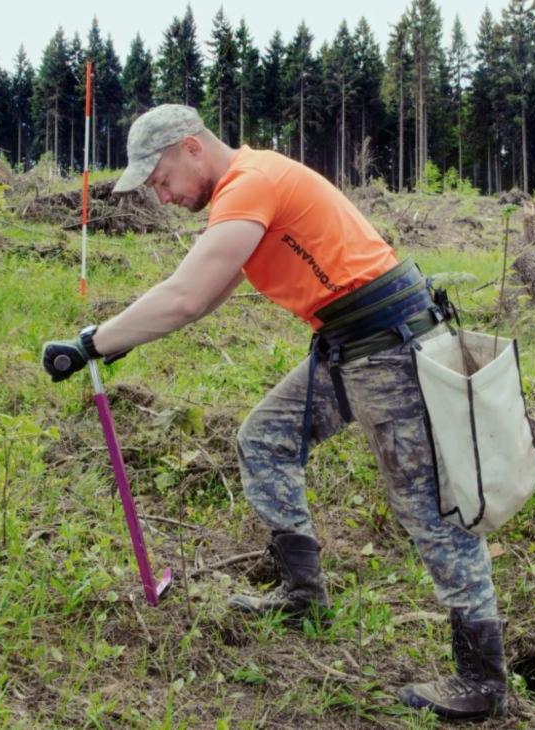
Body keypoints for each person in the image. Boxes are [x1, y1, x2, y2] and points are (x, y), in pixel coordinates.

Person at [41, 104, 506, 721]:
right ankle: (302, 594)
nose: (161, 195)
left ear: (191, 148)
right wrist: (117, 337)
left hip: (389, 344)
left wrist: (93, 343)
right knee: (265, 440)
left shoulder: (250, 183)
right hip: (347, 344)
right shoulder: (246, 192)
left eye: (159, 179)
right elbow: (204, 292)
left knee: (425, 507)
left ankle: (483, 677)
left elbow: (185, 297)